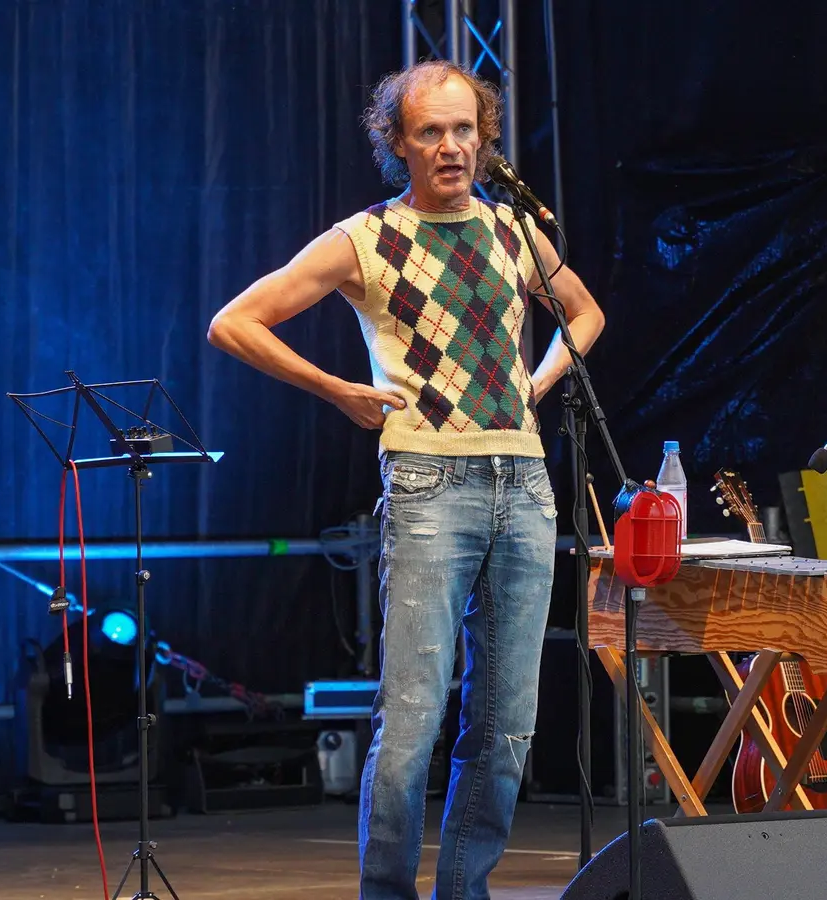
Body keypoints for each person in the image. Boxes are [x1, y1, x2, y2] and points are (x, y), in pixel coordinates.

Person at [207, 61, 605, 900]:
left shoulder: (514, 231)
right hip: (429, 485)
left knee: (506, 729)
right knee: (414, 721)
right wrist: (337, 388)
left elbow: (586, 312)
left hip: (525, 485)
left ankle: (467, 891)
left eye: (465, 129)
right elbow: (233, 321)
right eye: (431, 131)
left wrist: (539, 382)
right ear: (398, 142)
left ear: (485, 136)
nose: (452, 146)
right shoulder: (365, 239)